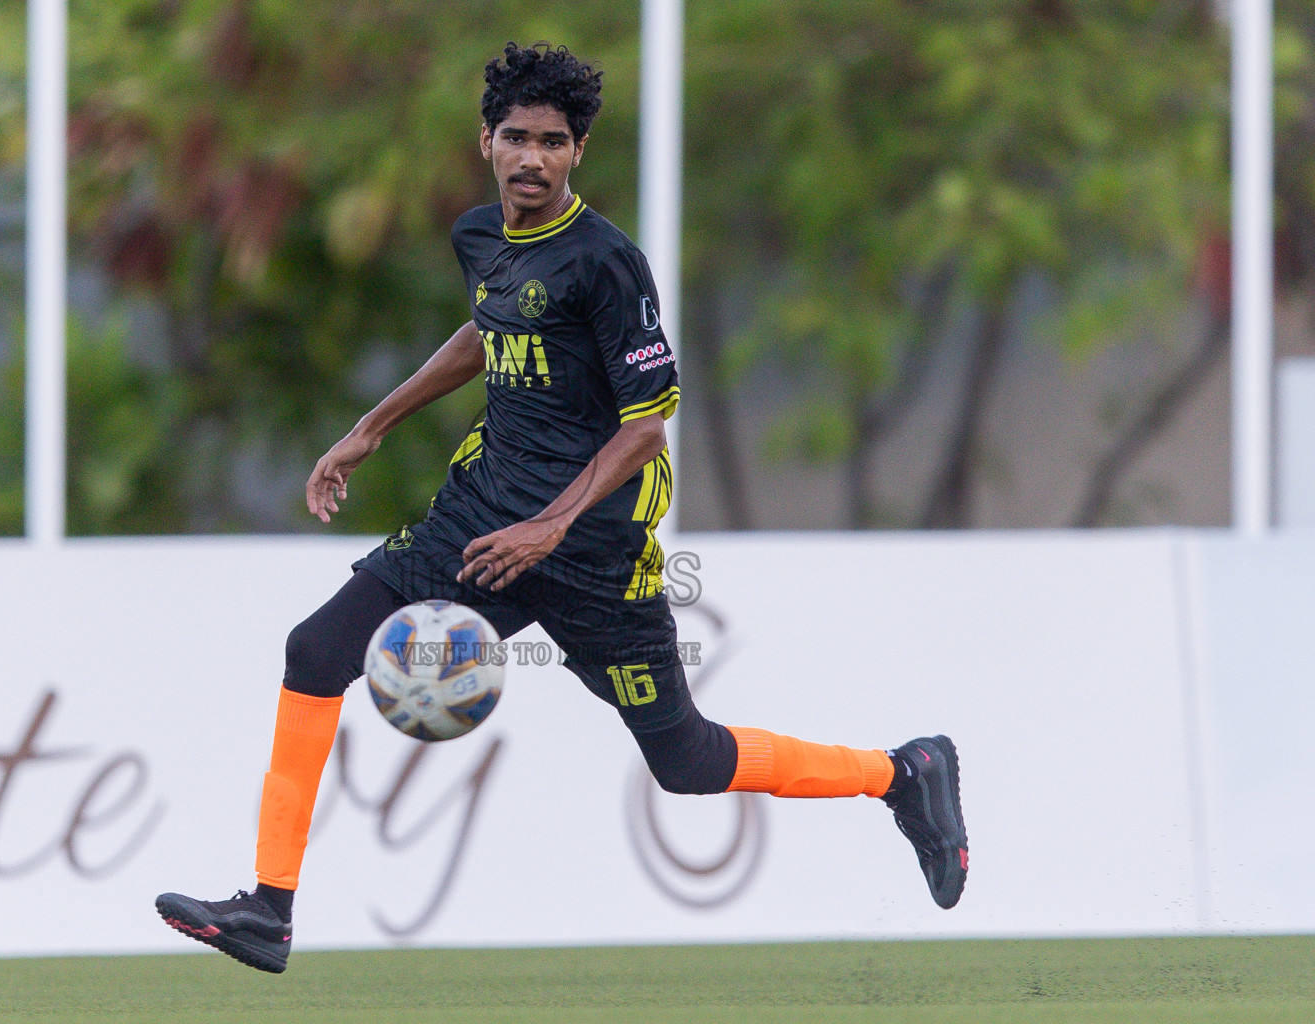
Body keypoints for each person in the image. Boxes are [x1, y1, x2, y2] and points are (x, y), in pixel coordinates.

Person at [156, 41, 967, 974]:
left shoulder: (608, 263)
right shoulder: (479, 239)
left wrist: (554, 525)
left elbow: (648, 430)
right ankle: (268, 909)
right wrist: (370, 425)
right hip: (481, 519)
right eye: (515, 137)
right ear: (487, 142)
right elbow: (488, 326)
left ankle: (903, 774)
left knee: (688, 763)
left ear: (578, 150)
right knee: (316, 649)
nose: (531, 157)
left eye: (552, 140)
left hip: (592, 553)